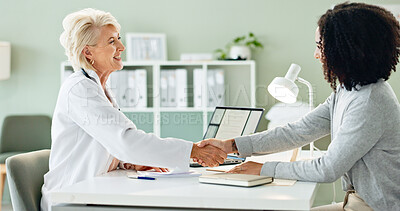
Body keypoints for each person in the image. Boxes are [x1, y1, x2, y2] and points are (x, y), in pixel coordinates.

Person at [198, 2, 400, 210]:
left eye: (320, 46)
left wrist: (263, 169)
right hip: (358, 202)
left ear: (348, 49)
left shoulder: (368, 102)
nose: (316, 54)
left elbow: (327, 169)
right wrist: (232, 145)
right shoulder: (349, 90)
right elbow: (298, 131)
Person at [41, 8, 226, 211]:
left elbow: (107, 144)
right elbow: (125, 140)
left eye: (118, 39)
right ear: (88, 52)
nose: (122, 46)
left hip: (92, 190)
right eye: (112, 41)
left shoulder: (98, 87)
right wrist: (193, 150)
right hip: (69, 197)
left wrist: (128, 163)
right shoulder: (79, 90)